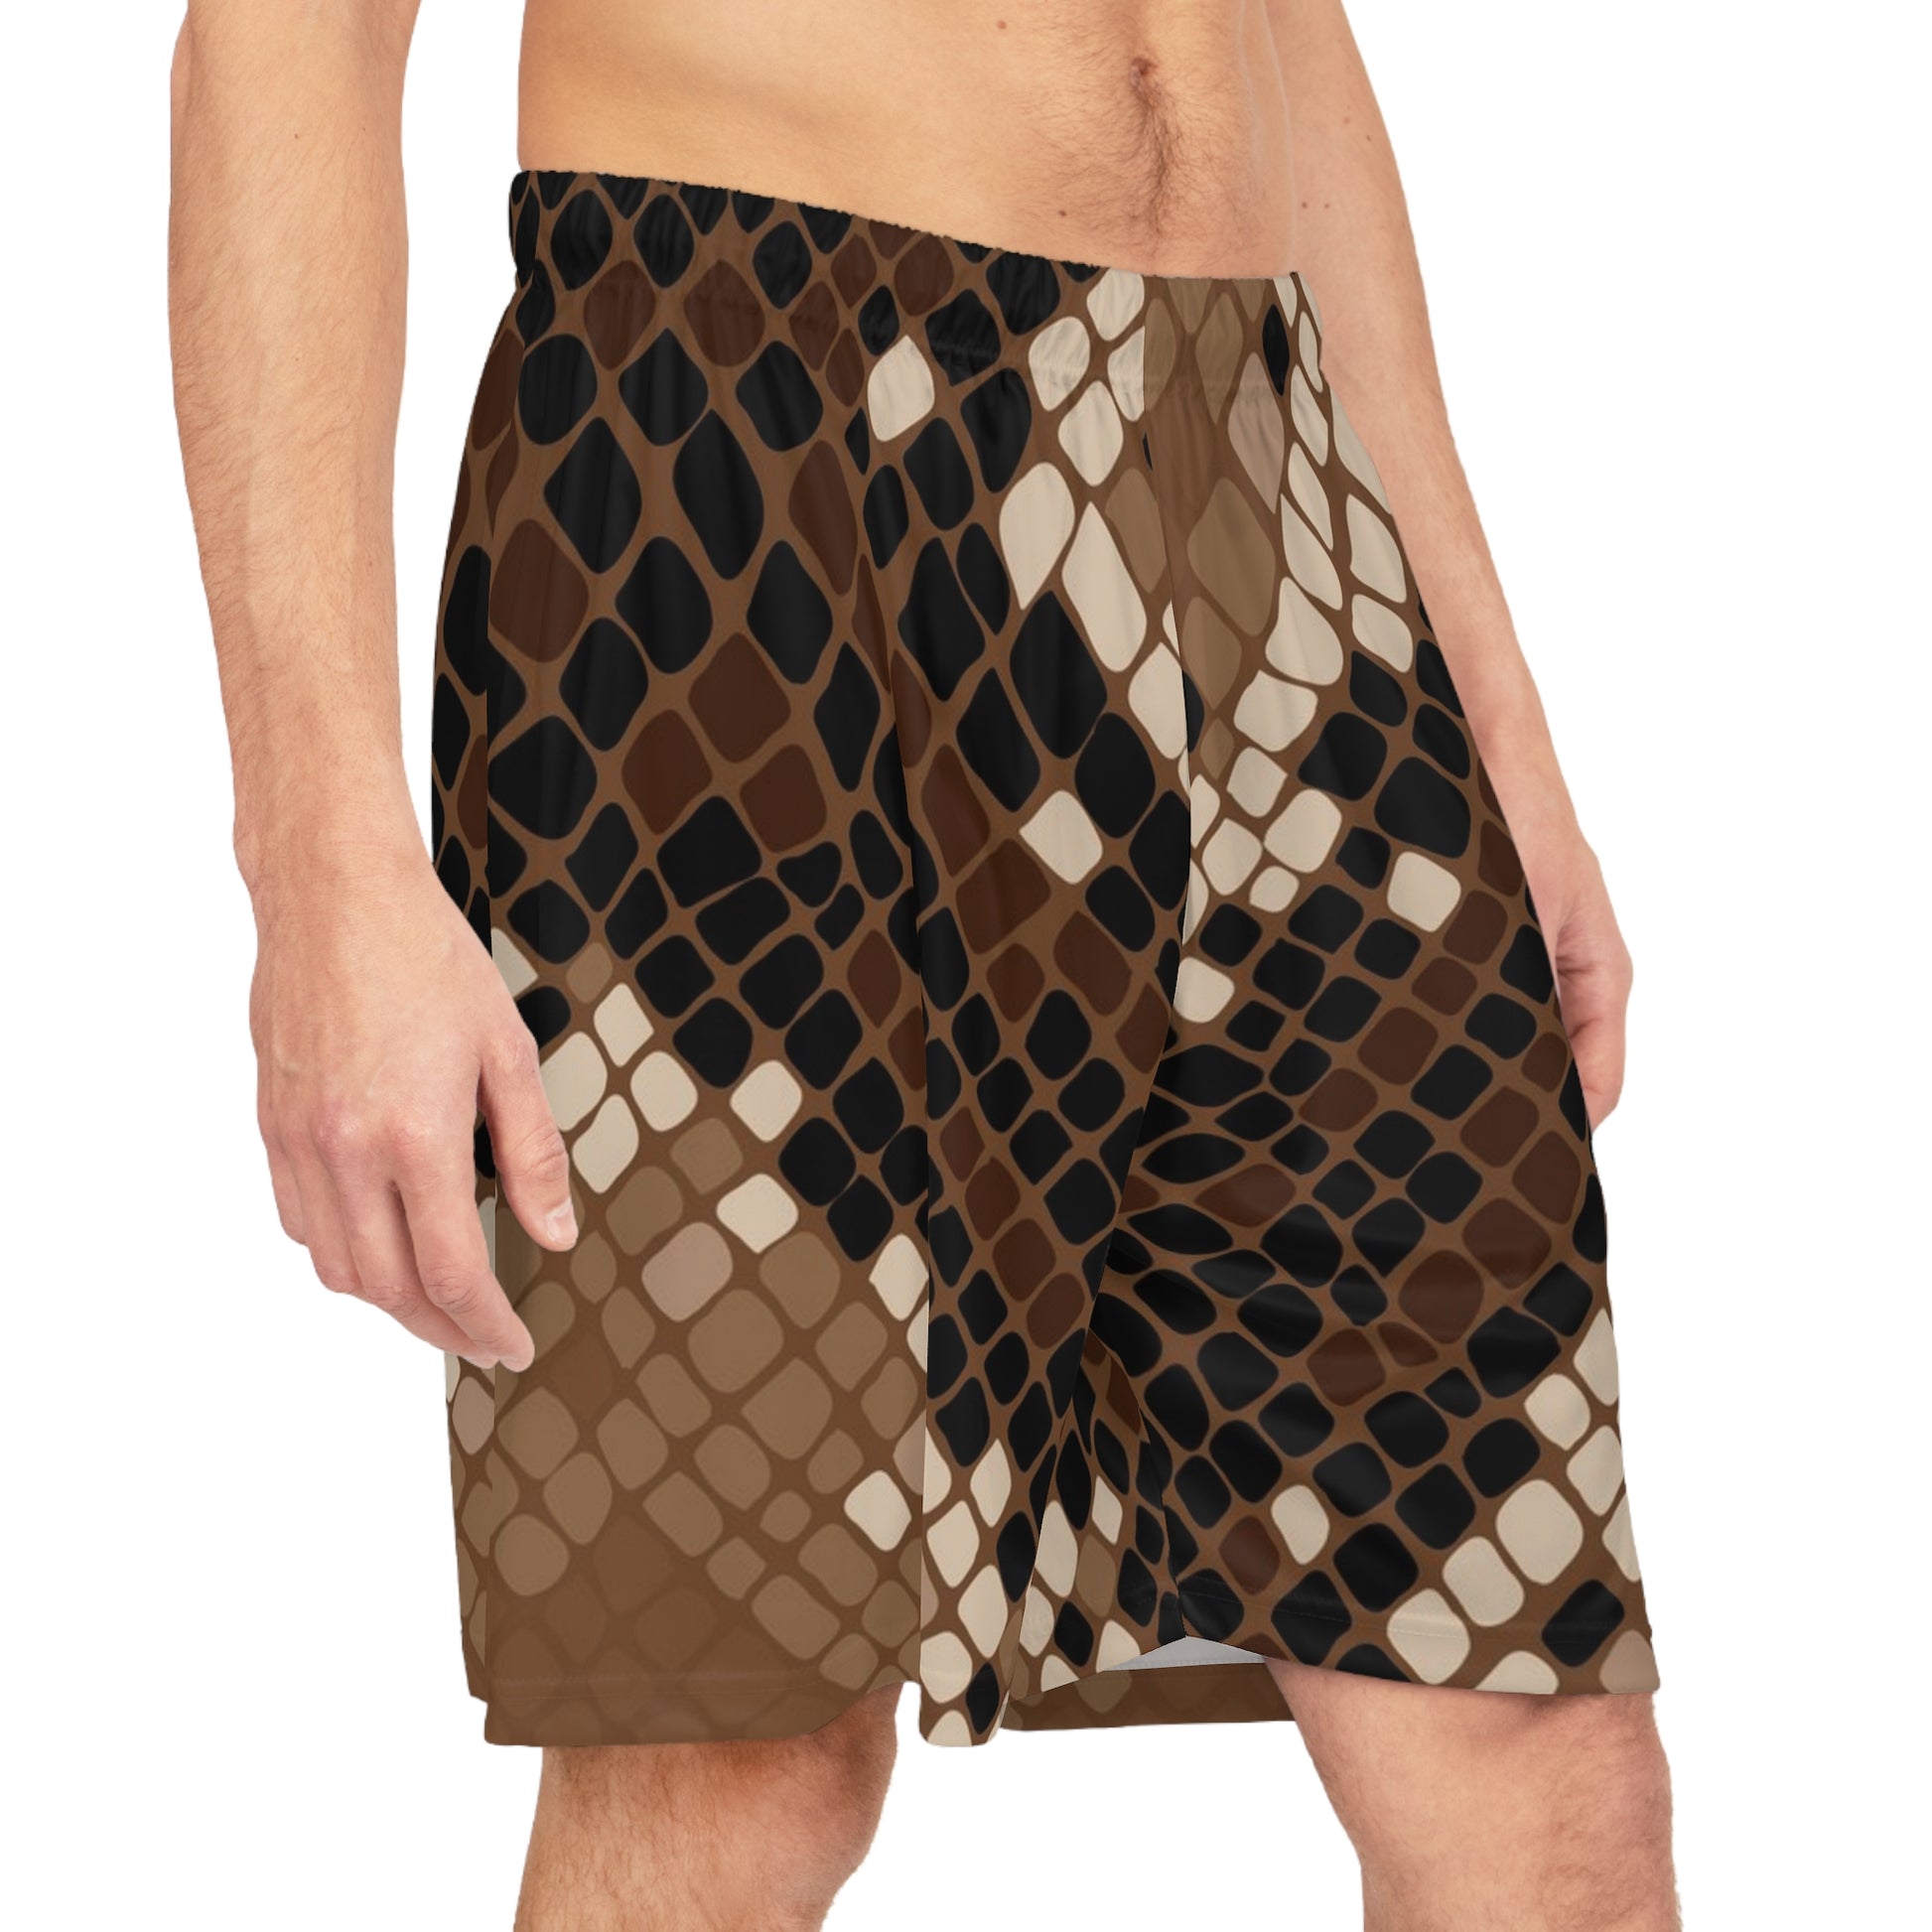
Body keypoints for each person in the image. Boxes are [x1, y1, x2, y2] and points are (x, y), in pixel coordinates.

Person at [169, 0, 1678, 1924]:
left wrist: (1483, 704)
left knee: (1531, 1751)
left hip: (1264, 499)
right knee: (737, 1759)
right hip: (743, 483)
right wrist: (315, 852)